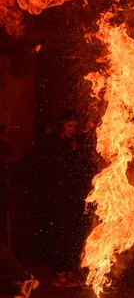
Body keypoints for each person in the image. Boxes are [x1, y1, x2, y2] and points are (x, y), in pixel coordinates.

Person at [34, 109, 93, 287]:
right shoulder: (51, 144)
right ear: (61, 126)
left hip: (70, 198)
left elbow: (77, 170)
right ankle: (59, 275)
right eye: (69, 126)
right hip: (55, 198)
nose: (72, 129)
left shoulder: (70, 145)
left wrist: (76, 152)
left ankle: (68, 271)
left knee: (70, 235)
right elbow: (51, 172)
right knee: (58, 235)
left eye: (75, 126)